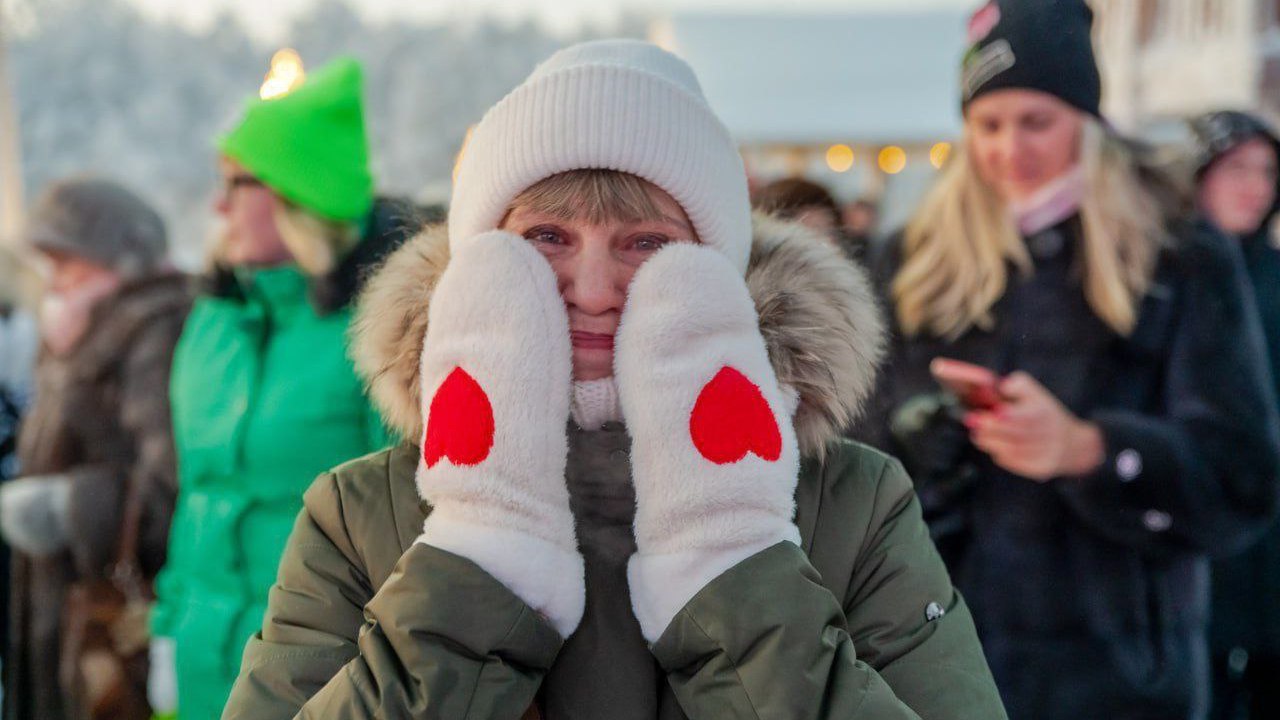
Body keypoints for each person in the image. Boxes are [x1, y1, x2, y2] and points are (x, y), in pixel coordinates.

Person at [220, 39, 1008, 719]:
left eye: (645, 243)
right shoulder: (361, 514)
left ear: (715, 266)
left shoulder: (853, 505)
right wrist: (478, 561)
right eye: (548, 235)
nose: (591, 287)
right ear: (480, 256)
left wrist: (731, 565)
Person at [862, 2, 1280, 718]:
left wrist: (1093, 450)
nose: (1010, 149)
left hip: (1120, 677)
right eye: (988, 125)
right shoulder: (913, 259)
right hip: (941, 666)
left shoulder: (1177, 255)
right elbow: (851, 464)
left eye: (1037, 122)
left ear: (1086, 120)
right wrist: (909, 445)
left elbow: (1243, 480)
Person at [148, 57, 419, 720]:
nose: (217, 206)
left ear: (298, 195)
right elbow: (199, 498)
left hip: (320, 676)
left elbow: (402, 537)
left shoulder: (377, 332)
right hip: (202, 663)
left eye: (238, 184)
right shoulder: (212, 321)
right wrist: (168, 628)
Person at [1, 178, 190, 720]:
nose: (55, 282)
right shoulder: (75, 329)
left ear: (120, 260)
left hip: (109, 604)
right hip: (58, 595)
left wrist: (70, 506)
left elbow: (167, 485)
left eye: (69, 264)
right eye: (50, 265)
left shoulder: (154, 334)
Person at [1189, 109, 1280, 720]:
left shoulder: (1274, 279)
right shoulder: (1161, 277)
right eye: (1236, 168)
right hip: (1186, 512)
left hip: (1269, 521)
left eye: (1267, 171)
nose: (1254, 185)